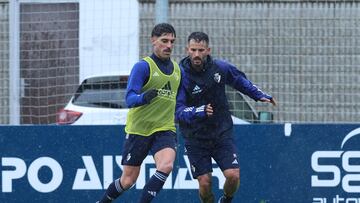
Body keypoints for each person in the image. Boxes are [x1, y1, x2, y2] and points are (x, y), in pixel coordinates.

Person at [175, 32, 276, 203]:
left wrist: (258, 95)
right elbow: (178, 112)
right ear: (187, 50)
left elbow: (240, 81)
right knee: (205, 183)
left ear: (208, 50)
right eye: (193, 50)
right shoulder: (180, 75)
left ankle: (226, 200)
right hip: (195, 137)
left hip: (221, 133)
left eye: (201, 50)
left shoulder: (220, 68)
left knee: (233, 176)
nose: (197, 54)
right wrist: (198, 111)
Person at [98, 23, 181, 203]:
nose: (169, 45)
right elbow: (129, 99)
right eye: (164, 40)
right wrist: (144, 98)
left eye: (172, 42)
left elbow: (180, 100)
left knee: (166, 165)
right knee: (128, 180)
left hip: (164, 128)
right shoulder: (143, 67)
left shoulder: (177, 70)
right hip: (139, 130)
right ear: (153, 41)